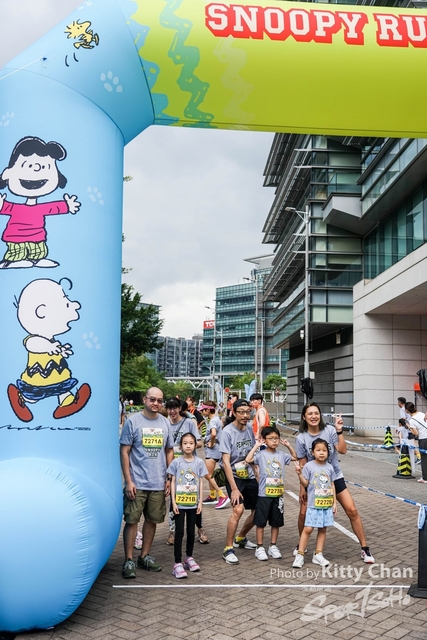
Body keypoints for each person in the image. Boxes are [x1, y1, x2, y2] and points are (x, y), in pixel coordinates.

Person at [295, 402, 375, 564]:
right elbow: (303, 464)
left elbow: (343, 450)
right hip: (313, 482)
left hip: (334, 477)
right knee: (303, 514)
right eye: (310, 413)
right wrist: (302, 487)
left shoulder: (330, 430)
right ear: (304, 417)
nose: (313, 416)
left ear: (320, 415)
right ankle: (301, 546)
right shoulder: (301, 438)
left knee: (352, 510)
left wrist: (339, 430)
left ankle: (365, 548)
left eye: (316, 413)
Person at [120, 387, 174, 578]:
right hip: (137, 482)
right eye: (152, 399)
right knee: (132, 521)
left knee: (152, 520)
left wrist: (169, 478)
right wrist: (128, 481)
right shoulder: (133, 421)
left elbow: (169, 450)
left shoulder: (165, 423)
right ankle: (128, 560)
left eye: (159, 400)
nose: (156, 403)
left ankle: (144, 556)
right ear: (144, 400)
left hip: (158, 482)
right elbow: (124, 451)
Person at [245, 425, 296, 561]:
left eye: (276, 438)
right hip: (263, 495)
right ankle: (260, 547)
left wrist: (288, 446)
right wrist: (256, 445)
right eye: (271, 438)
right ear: (264, 440)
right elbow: (248, 460)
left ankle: (273, 546)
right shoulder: (261, 455)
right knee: (260, 522)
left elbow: (295, 457)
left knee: (276, 522)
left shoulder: (281, 455)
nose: (274, 441)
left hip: (278, 495)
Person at [165, 398, 209, 545]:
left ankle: (200, 528)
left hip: (190, 466)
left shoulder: (189, 422)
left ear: (180, 408)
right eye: (169, 408)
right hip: (174, 467)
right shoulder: (165, 424)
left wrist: (187, 446)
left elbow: (200, 442)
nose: (172, 411)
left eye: (175, 408)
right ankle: (172, 530)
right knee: (173, 499)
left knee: (194, 497)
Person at [220, 398, 258, 564]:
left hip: (249, 475)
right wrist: (234, 489)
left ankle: (240, 537)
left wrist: (257, 474)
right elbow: (225, 462)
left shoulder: (249, 428)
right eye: (241, 412)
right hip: (234, 476)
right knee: (238, 509)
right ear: (234, 413)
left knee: (259, 510)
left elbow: (252, 453)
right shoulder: (227, 432)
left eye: (248, 412)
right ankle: (228, 548)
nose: (245, 415)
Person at [167, 432, 209, 578]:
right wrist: (173, 502)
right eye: (185, 443)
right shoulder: (176, 462)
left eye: (191, 443)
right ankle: (177, 563)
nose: (188, 446)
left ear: (195, 445)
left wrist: (200, 502)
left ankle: (189, 558)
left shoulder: (199, 462)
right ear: (181, 446)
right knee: (179, 533)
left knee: (191, 532)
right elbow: (172, 482)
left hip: (193, 505)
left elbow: (201, 482)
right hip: (179, 504)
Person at [293, 438, 337, 568]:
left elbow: (332, 485)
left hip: (326, 505)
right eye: (318, 450)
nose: (321, 453)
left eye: (324, 450)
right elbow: (305, 483)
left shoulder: (329, 467)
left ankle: (318, 554)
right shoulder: (309, 466)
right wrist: (299, 474)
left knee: (323, 529)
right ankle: (300, 555)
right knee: (308, 529)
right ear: (312, 452)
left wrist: (334, 502)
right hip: (313, 505)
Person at [200, 401, 230, 509]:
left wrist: (212, 443)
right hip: (218, 449)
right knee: (210, 473)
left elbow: (213, 433)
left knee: (207, 474)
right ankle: (212, 496)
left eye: (203, 410)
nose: (202, 412)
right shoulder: (217, 419)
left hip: (213, 450)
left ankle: (222, 495)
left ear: (208, 410)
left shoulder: (213, 421)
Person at [405, 402, 427, 483]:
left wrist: (409, 427)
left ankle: (425, 478)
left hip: (423, 439)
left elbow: (416, 433)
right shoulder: (421, 414)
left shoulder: (412, 420)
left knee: (424, 458)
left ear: (407, 410)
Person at [398, 397, 421, 464]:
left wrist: (399, 427)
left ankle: (418, 457)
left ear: (400, 402)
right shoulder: (409, 409)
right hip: (412, 427)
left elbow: (403, 419)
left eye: (398, 402)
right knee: (411, 444)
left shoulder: (402, 410)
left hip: (408, 429)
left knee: (412, 444)